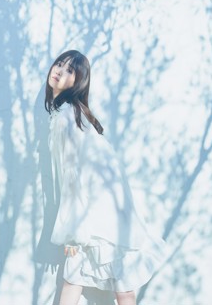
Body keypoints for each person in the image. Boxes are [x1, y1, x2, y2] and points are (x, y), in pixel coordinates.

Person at [45, 50, 167, 305]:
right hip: (106, 209)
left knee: (91, 279)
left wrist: (73, 232)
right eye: (59, 64)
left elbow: (73, 175)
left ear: (78, 81)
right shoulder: (74, 113)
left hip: (100, 212)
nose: (59, 70)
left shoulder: (68, 116)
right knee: (105, 280)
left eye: (69, 70)